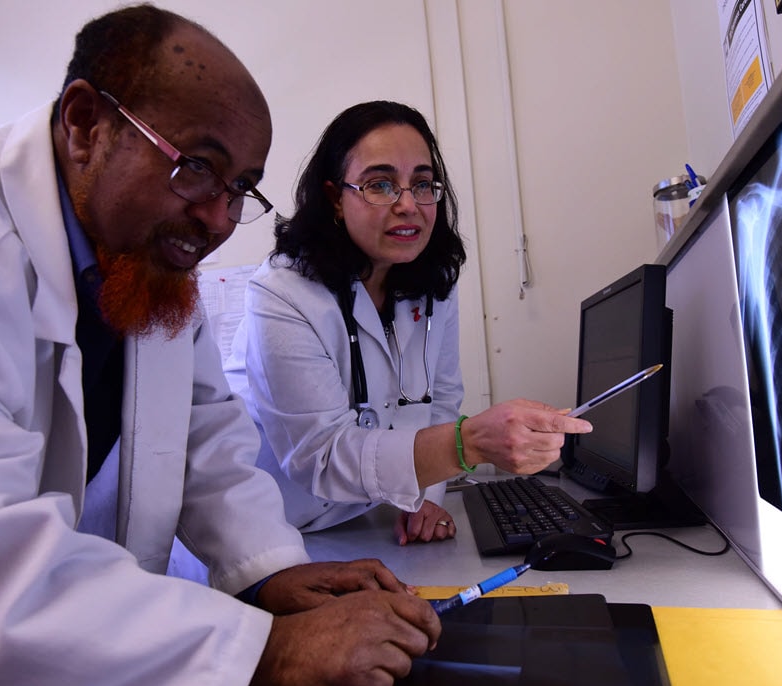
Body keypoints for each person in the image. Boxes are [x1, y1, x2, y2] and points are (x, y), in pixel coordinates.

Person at [0, 6, 440, 686]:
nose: (220, 220)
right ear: (85, 124)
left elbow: (208, 441)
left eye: (239, 188)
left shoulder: (147, 264)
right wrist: (267, 650)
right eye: (197, 166)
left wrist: (274, 573)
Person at [223, 101, 593, 545]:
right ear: (334, 199)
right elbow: (320, 456)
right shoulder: (283, 294)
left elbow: (440, 402)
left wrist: (422, 498)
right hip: (270, 526)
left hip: (364, 522)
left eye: (421, 184)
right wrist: (469, 444)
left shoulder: (433, 282)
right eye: (380, 184)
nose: (408, 205)